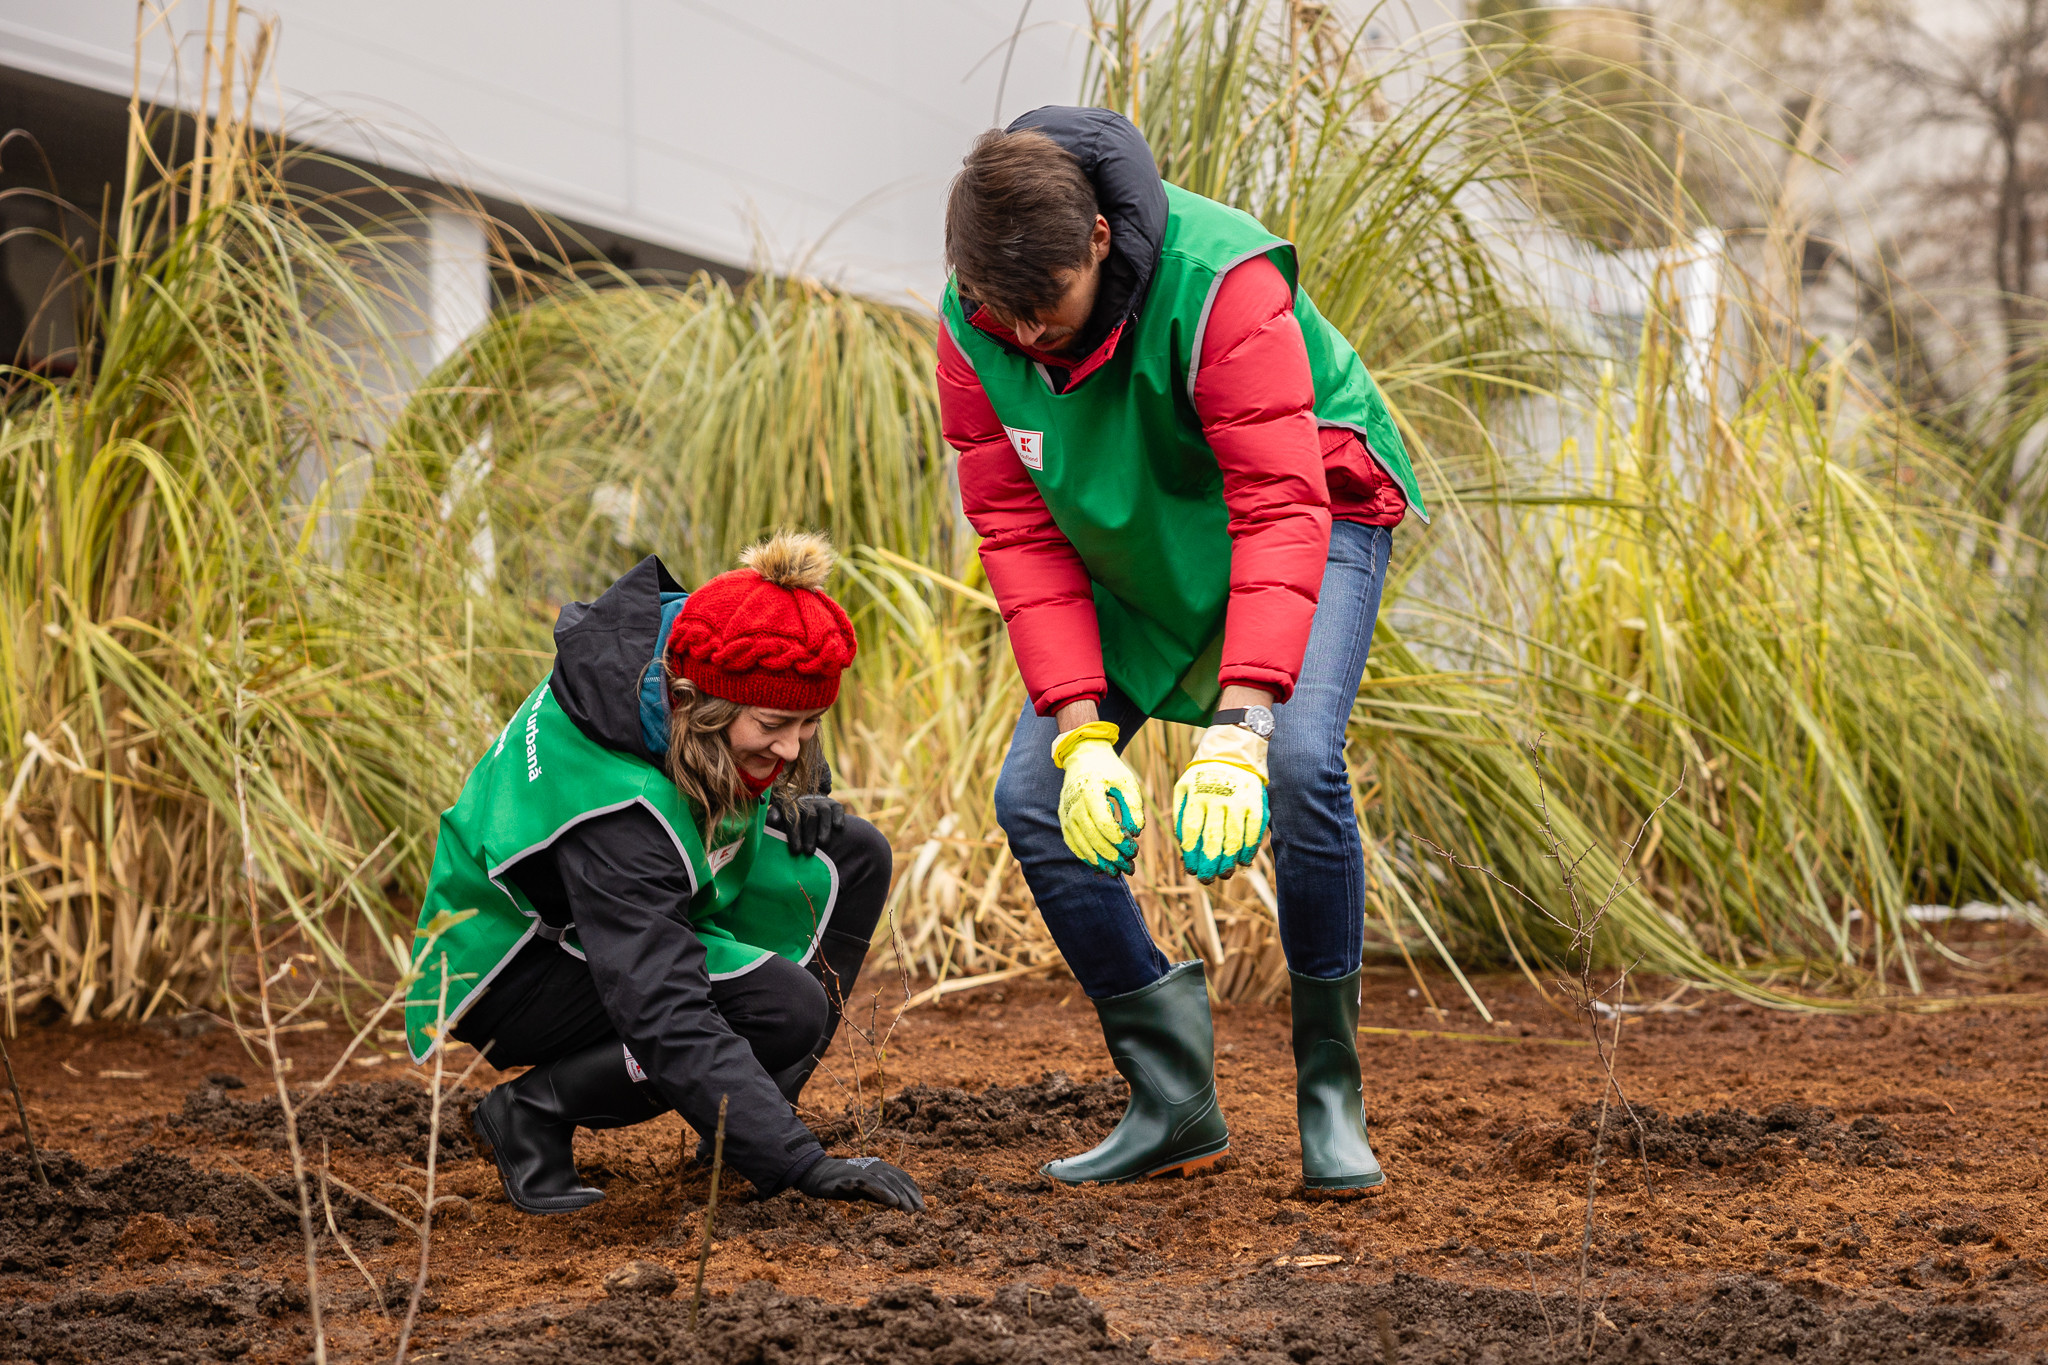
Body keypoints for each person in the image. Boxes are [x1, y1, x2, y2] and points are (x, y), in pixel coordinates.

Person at [937, 107, 1426, 1195]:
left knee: (1298, 766)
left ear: (1099, 243)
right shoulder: (973, 324)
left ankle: (1328, 1094)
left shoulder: (1222, 281)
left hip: (1307, 503)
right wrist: (1077, 735)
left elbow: (1276, 504)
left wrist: (1239, 726)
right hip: (1128, 533)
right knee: (1031, 797)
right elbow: (1017, 529)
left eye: (1041, 308)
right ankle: (1171, 1099)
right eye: (994, 313)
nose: (1018, 338)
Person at [401, 532, 924, 1216]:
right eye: (776, 723)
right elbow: (661, 1005)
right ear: (702, 703)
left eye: (809, 722)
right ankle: (530, 1112)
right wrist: (797, 1161)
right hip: (510, 959)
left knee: (847, 855)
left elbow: (767, 718)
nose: (793, 745)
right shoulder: (613, 810)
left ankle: (740, 1120)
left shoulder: (695, 641)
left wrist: (801, 786)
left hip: (595, 914)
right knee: (783, 1008)